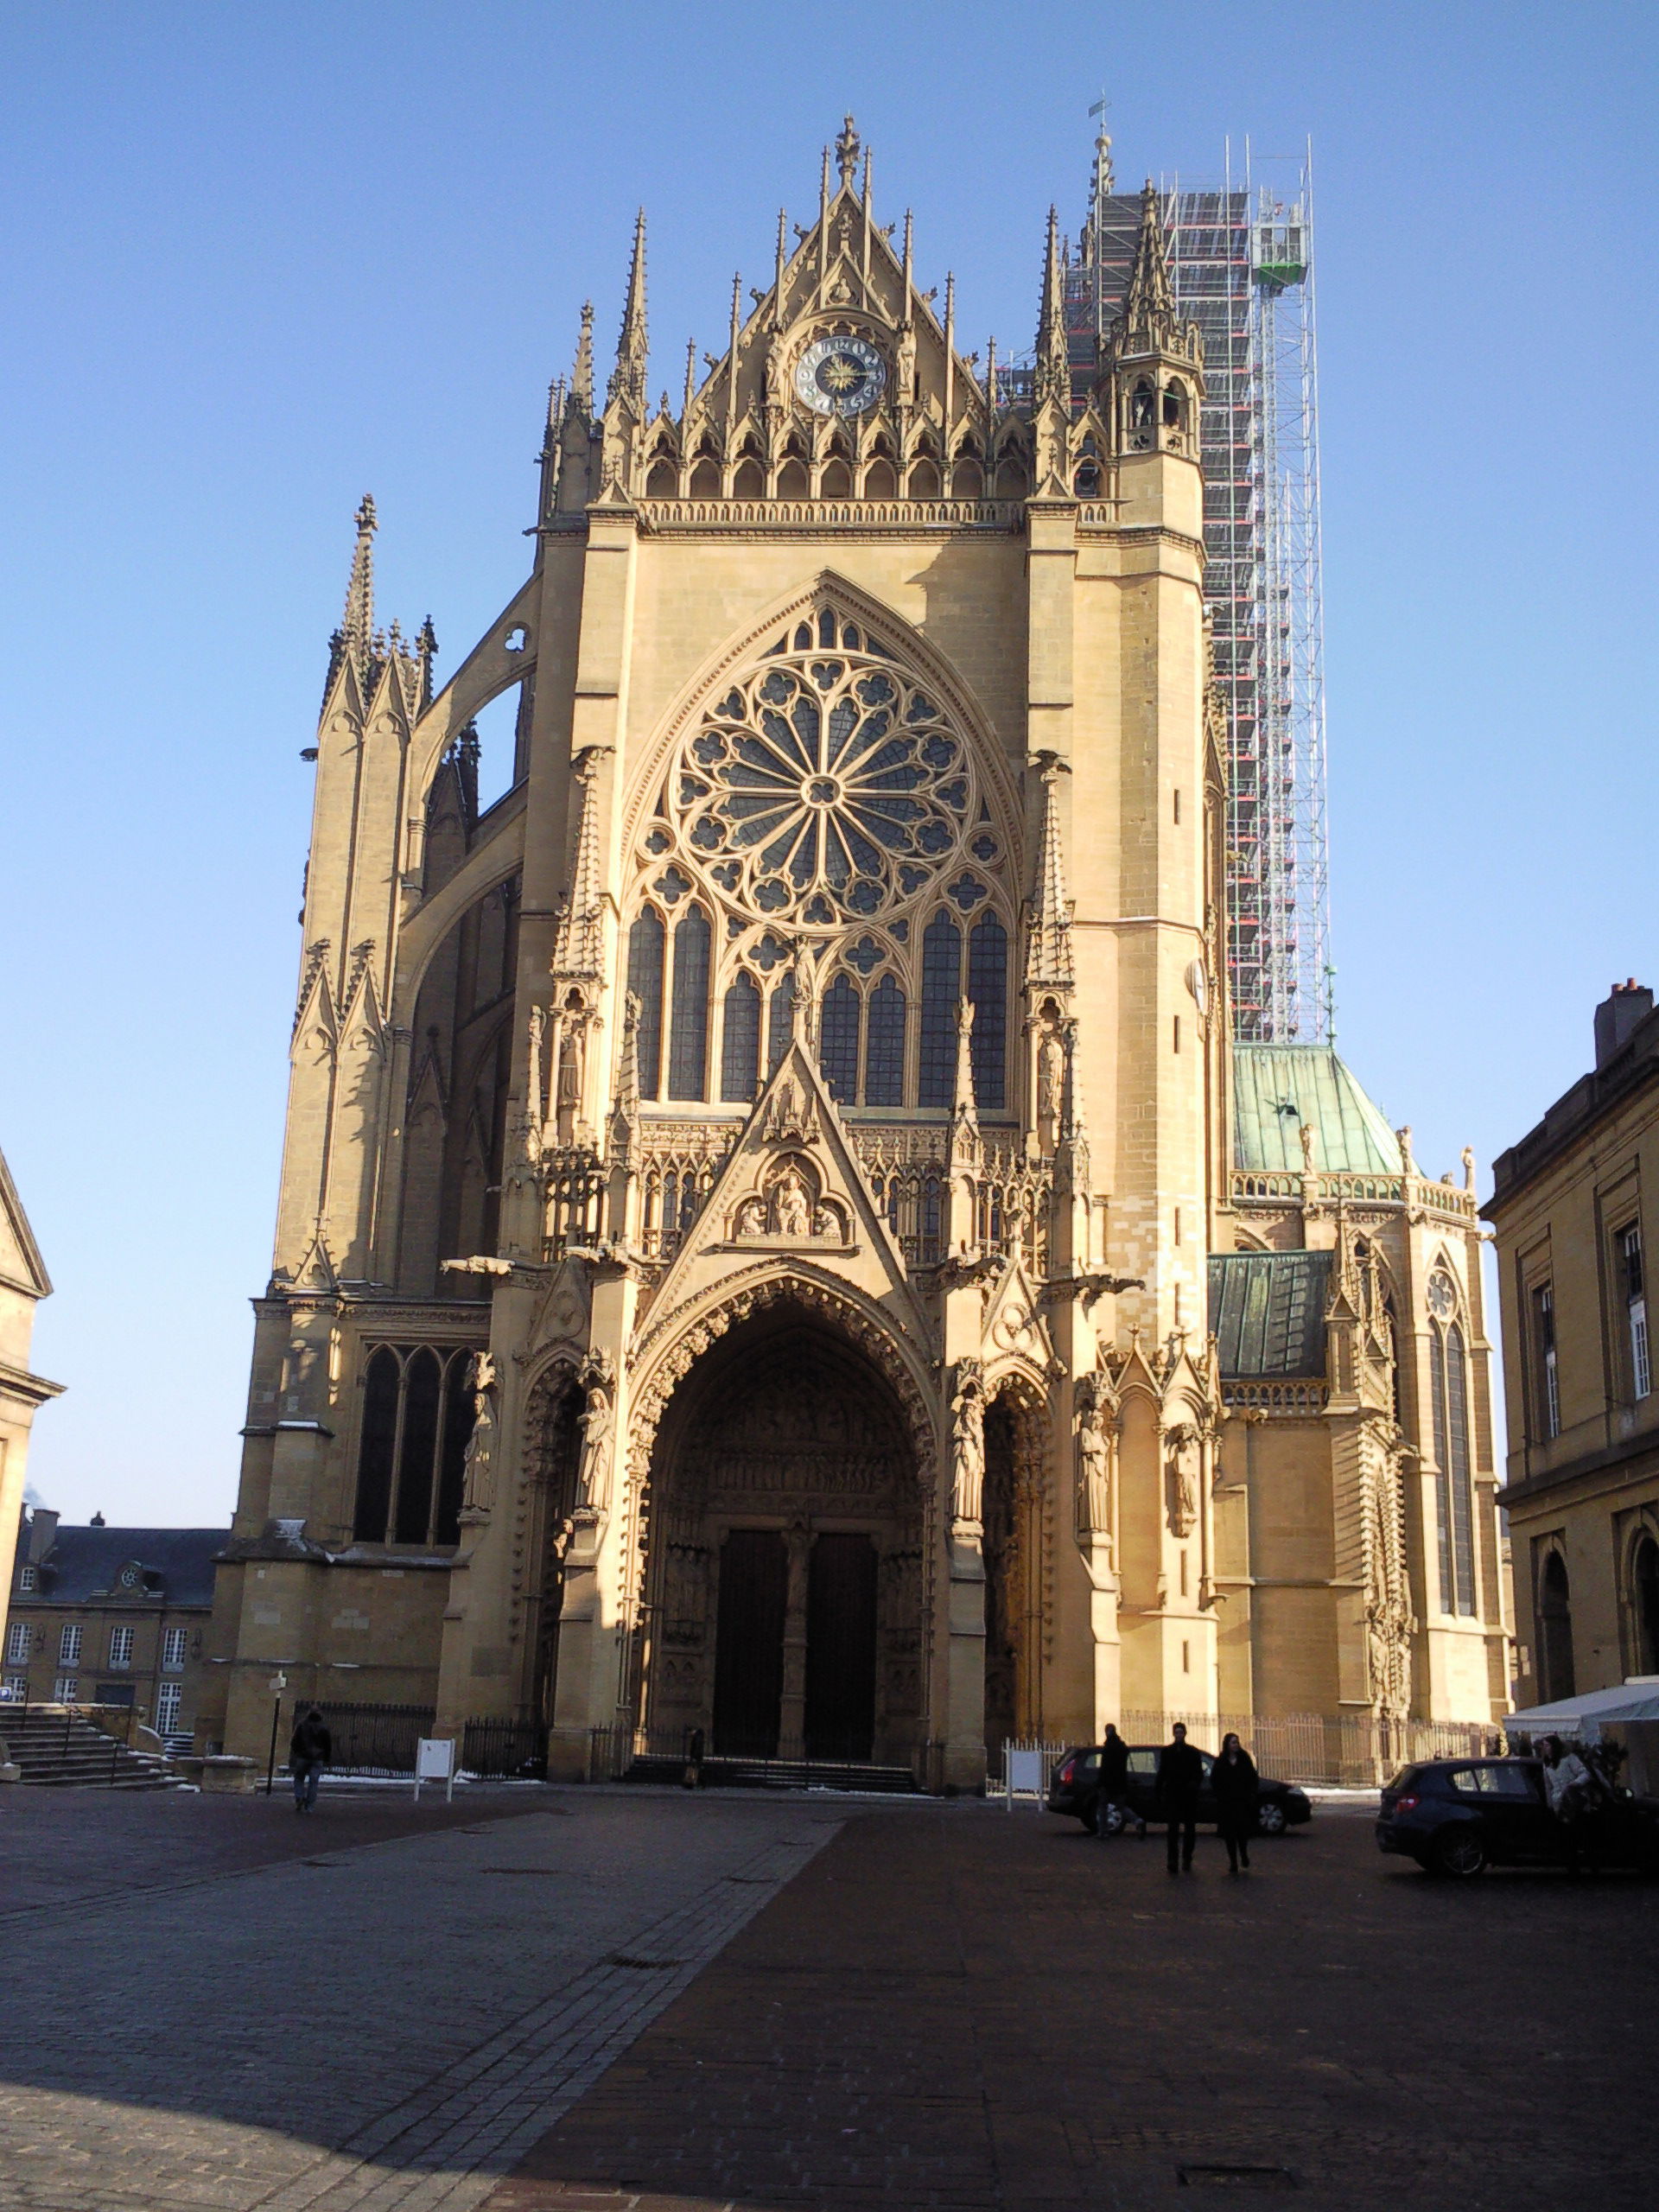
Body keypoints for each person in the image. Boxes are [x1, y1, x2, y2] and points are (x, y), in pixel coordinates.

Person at [1541, 1733, 1598, 1872]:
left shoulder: (1569, 1759)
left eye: (1547, 1745)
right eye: (1544, 1745)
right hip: (1560, 1805)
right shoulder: (1547, 1763)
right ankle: (1573, 1867)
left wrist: (1574, 1784)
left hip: (1576, 1803)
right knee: (1568, 1838)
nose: (1545, 1748)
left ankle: (1591, 1865)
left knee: (1582, 1835)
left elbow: (1585, 1774)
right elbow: (1548, 1785)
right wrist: (1550, 1804)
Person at [1157, 1721, 1205, 1873]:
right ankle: (1172, 1859)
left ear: (1184, 1734)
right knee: (1173, 1830)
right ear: (1173, 1734)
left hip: (1188, 1796)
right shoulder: (1167, 1752)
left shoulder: (1193, 1752)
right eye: (1176, 1732)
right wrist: (1158, 1790)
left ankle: (1187, 1858)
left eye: (1181, 1732)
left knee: (1190, 1829)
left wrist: (1193, 1784)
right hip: (1173, 1795)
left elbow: (1199, 1773)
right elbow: (1162, 1773)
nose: (1178, 1735)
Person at [1211, 1732, 1259, 1872]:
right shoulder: (1221, 1760)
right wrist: (1220, 1795)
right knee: (1229, 1834)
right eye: (1233, 1742)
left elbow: (1252, 1777)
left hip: (1242, 1802)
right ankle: (1233, 1862)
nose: (1236, 1745)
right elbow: (1215, 1779)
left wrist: (1251, 1794)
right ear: (1227, 1744)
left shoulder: (1244, 1758)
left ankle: (1244, 1855)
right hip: (1227, 1803)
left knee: (1242, 1832)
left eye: (1237, 1742)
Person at [1096, 1723, 1146, 1839]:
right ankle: (1137, 1820)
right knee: (1121, 1806)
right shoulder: (1122, 1747)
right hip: (1120, 1782)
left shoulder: (1108, 1747)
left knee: (1102, 1806)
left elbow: (1105, 1767)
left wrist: (1100, 1782)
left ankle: (1103, 1832)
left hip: (1107, 1782)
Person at [289, 1706, 331, 1814]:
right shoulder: (323, 1727)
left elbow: (294, 1741)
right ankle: (310, 1806)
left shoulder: (302, 1725)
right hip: (317, 1758)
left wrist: (297, 1752)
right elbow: (328, 1744)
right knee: (313, 1782)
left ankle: (299, 1797)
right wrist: (326, 1758)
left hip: (303, 1756)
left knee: (299, 1778)